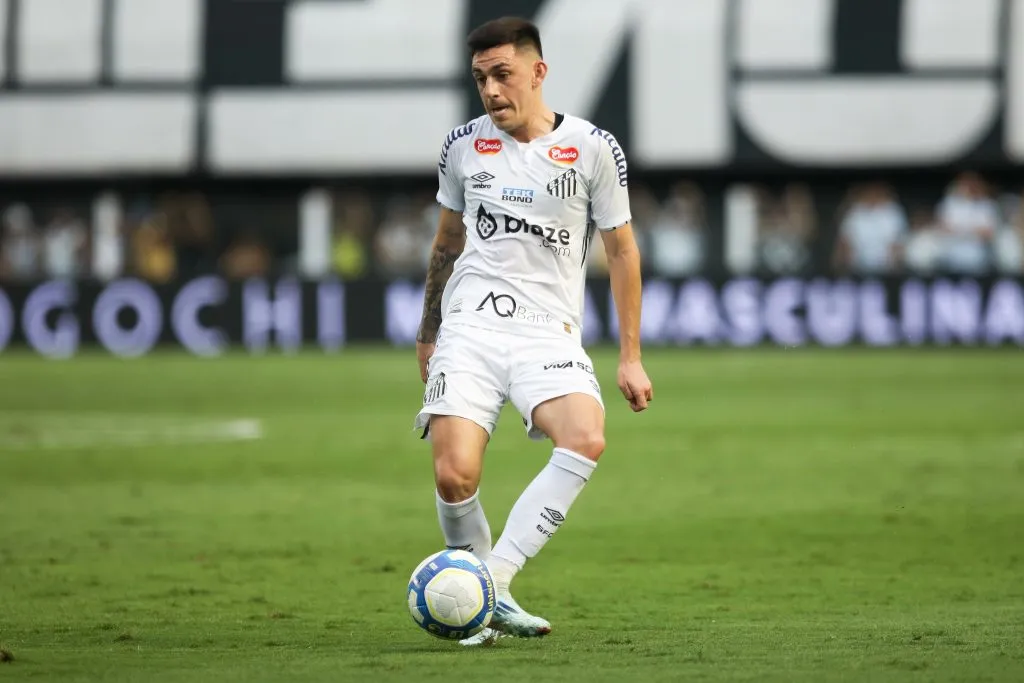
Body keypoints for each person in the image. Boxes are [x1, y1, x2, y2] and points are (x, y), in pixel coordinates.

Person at [412, 16, 653, 646]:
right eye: (480, 79)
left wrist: (630, 356)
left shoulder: (595, 149)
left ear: (537, 72)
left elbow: (623, 251)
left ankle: (486, 586)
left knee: (586, 436)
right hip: (470, 325)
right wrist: (428, 333)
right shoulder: (463, 146)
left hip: (549, 330)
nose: (491, 91)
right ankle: (483, 599)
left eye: (502, 75)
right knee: (453, 476)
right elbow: (446, 242)